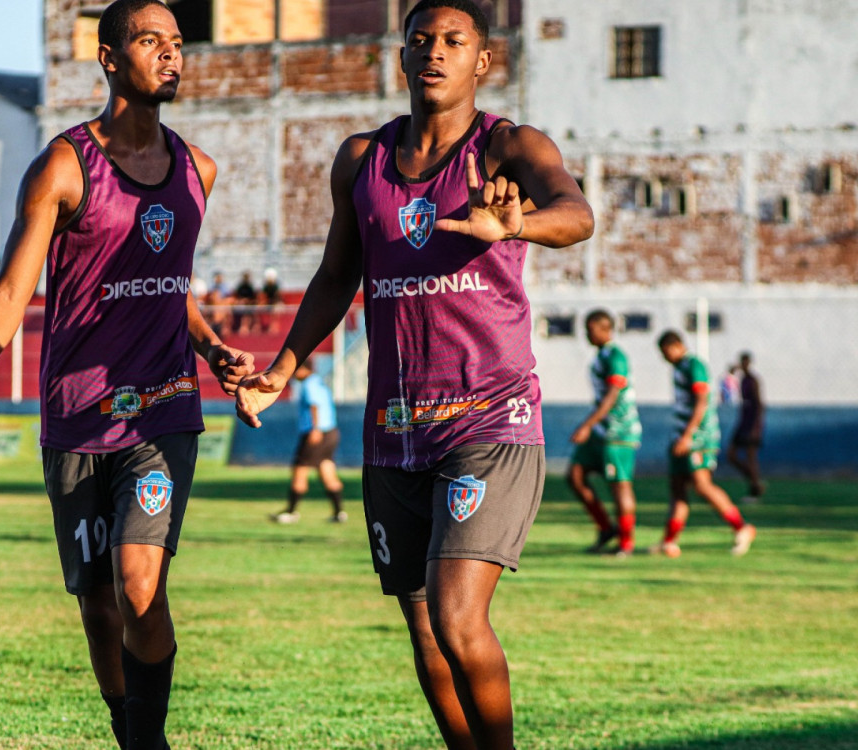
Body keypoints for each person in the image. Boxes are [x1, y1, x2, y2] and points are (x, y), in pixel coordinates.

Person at [235, 1, 594, 746]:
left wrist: (518, 223)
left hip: (490, 422)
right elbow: (337, 276)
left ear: (482, 61)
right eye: (420, 40)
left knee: (460, 621)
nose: (434, 52)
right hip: (394, 431)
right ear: (400, 57)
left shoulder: (506, 148)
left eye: (453, 41)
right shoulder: (361, 160)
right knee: (427, 633)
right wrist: (282, 367)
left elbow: (575, 213)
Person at [0, 2, 253, 748]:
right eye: (148, 41)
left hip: (163, 411)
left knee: (139, 584)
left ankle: (147, 738)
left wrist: (212, 349)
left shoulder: (199, 169)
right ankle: (127, 730)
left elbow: (169, 288)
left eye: (176, 42)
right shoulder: (64, 167)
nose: (170, 54)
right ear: (108, 57)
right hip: (78, 415)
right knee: (99, 601)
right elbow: (12, 290)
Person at [654, 330, 757, 558]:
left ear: (676, 346)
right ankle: (669, 541)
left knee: (701, 485)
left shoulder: (694, 365)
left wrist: (688, 435)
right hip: (681, 435)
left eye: (664, 352)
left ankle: (742, 528)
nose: (664, 358)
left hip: (698, 438)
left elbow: (702, 401)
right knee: (677, 488)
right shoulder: (679, 368)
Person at [566, 310, 642, 556]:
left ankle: (626, 544)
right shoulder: (602, 355)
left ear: (604, 329)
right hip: (601, 430)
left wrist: (587, 424)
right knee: (575, 476)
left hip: (618, 431)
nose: (586, 334)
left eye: (590, 329)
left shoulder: (616, 357)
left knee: (619, 486)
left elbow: (612, 395)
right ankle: (606, 528)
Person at [271, 358, 347, 524]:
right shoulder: (319, 382)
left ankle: (291, 512)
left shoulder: (309, 384)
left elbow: (314, 405)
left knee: (300, 468)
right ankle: (339, 512)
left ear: (302, 369)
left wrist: (315, 428)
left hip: (316, 432)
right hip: (331, 432)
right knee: (326, 469)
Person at [727, 352, 766, 503]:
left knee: (751, 457)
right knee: (731, 455)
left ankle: (754, 490)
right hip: (742, 421)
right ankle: (754, 479)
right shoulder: (742, 379)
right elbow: (729, 374)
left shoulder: (753, 380)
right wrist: (733, 369)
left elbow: (759, 404)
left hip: (751, 422)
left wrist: (756, 427)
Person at [230, 270, 257, 334]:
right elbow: (236, 297)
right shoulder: (240, 286)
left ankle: (246, 327)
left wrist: (247, 301)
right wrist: (241, 301)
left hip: (250, 305)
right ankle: (241, 327)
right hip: (241, 304)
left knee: (248, 310)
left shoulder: (251, 287)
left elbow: (254, 298)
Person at [258, 267, 282, 333]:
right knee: (258, 308)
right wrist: (263, 303)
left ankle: (274, 326)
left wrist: (273, 302)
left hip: (275, 303)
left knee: (276, 309)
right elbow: (263, 296)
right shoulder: (266, 286)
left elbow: (278, 298)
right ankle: (258, 326)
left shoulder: (276, 286)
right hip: (268, 302)